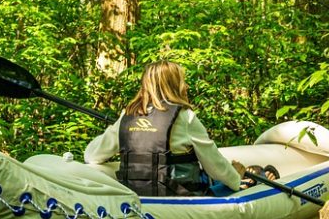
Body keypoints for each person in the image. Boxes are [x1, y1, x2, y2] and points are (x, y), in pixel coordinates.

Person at [84, 60, 246, 196]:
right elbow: (214, 166)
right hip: (180, 197)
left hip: (135, 195)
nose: (186, 85)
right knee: (227, 183)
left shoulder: (127, 116)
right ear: (175, 85)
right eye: (182, 81)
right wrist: (236, 178)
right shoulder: (185, 116)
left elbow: (92, 155)